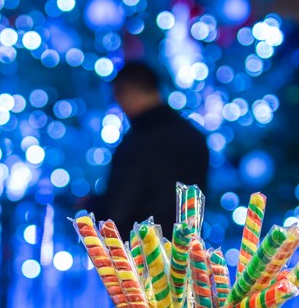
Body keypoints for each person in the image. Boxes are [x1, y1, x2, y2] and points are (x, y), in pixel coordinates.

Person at [83, 59, 210, 234]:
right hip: (186, 252)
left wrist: (91, 205)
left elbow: (117, 210)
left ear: (126, 94)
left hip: (142, 254)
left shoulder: (137, 142)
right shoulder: (193, 135)